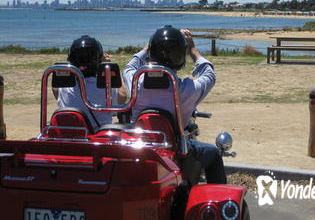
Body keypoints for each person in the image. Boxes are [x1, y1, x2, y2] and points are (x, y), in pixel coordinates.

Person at [123, 25, 226, 184]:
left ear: (152, 53)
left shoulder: (136, 83)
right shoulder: (186, 90)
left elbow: (129, 67)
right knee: (213, 152)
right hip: (174, 151)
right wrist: (193, 50)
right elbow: (209, 75)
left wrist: (148, 47)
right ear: (180, 58)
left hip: (141, 148)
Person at [52, 35, 126, 132]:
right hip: (100, 136)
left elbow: (55, 89)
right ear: (98, 60)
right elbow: (122, 97)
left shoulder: (64, 87)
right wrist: (110, 69)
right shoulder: (105, 86)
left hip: (71, 136)